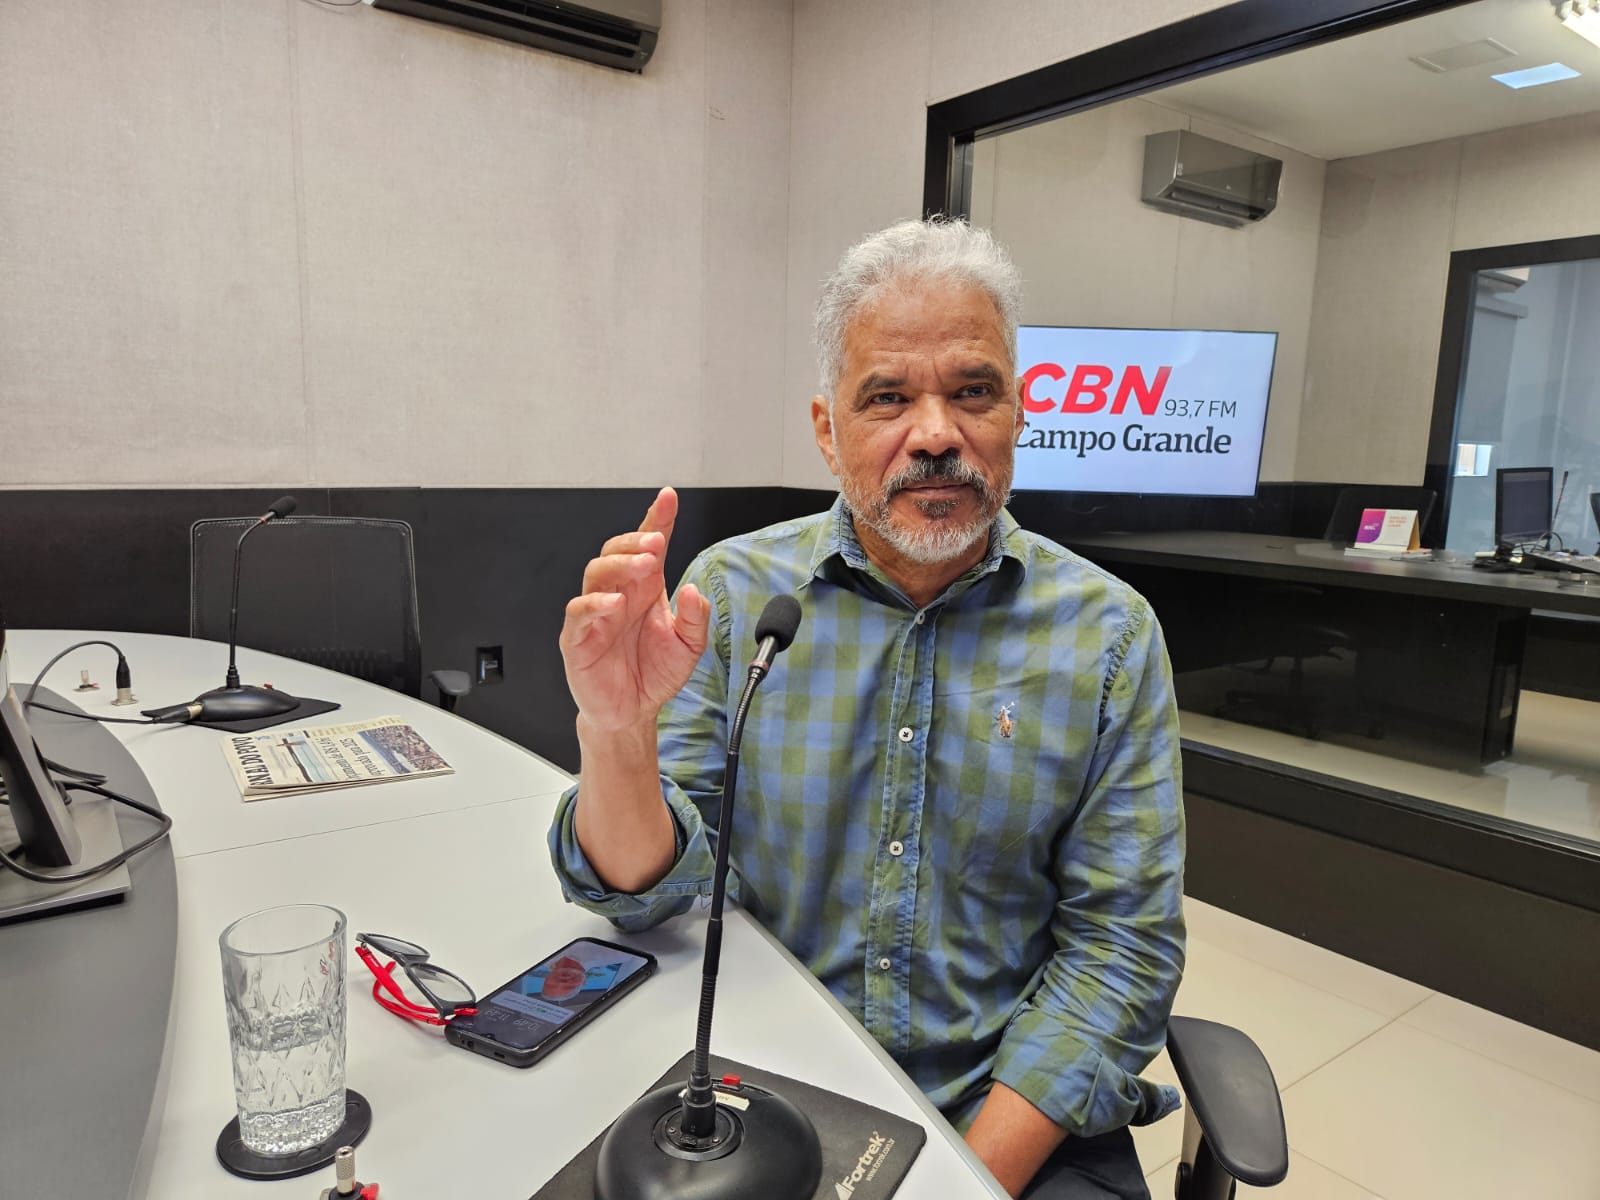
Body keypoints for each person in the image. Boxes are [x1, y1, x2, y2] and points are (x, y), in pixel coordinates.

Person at [549, 218, 1184, 1200]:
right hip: (761, 1083)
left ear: (1018, 410)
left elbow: (1121, 951)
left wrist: (957, 1182)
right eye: (887, 397)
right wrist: (615, 730)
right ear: (826, 429)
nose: (934, 433)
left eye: (972, 392)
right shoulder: (730, 595)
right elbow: (643, 891)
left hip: (1008, 1104)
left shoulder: (1109, 637)